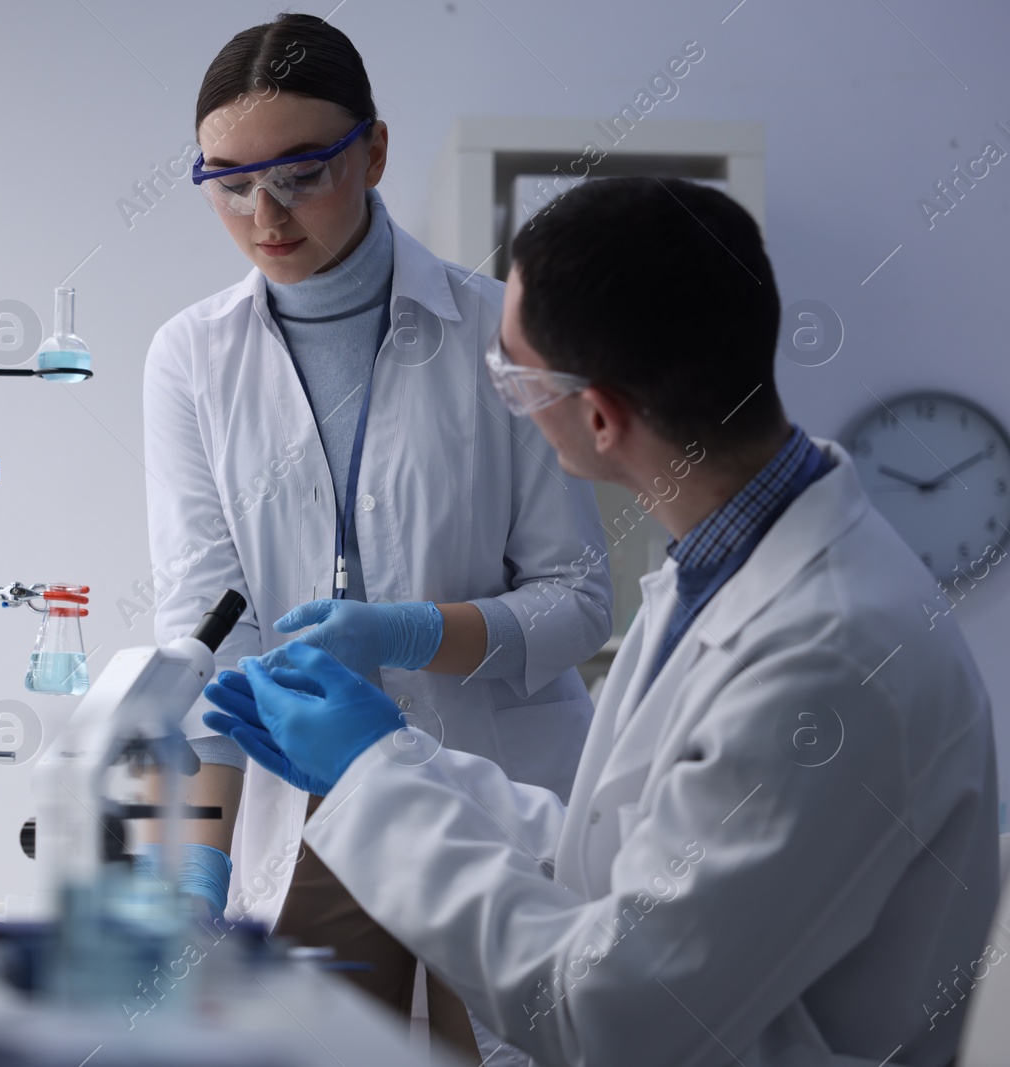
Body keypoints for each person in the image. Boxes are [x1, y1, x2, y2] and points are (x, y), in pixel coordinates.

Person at [203, 175, 1001, 1066]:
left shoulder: (826, 659)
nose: (500, 391)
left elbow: (612, 1013)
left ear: (597, 415)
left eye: (509, 375)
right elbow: (617, 865)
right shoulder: (723, 567)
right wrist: (396, 756)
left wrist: (367, 780)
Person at [141, 12, 610, 1059]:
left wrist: (404, 632)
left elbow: (579, 598)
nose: (263, 214)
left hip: (503, 798)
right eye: (225, 180)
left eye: (300, 173)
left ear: (375, 150)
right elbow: (205, 631)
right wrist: (195, 863)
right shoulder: (188, 360)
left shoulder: (500, 330)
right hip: (304, 810)